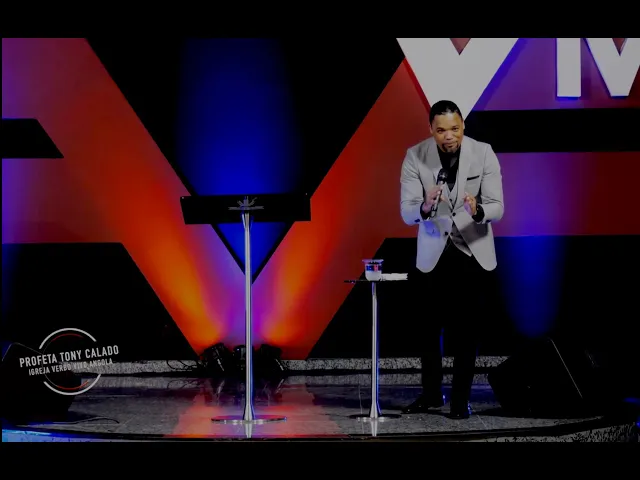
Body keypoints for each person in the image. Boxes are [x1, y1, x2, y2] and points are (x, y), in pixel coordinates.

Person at [399, 100, 504, 419]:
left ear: (463, 126)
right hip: (433, 253)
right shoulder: (415, 156)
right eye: (441, 130)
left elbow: (498, 206)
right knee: (428, 330)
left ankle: (461, 400)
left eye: (455, 129)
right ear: (431, 129)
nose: (449, 136)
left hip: (472, 252)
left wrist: (478, 210)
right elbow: (406, 211)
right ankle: (432, 394)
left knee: (467, 332)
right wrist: (424, 206)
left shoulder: (483, 152)